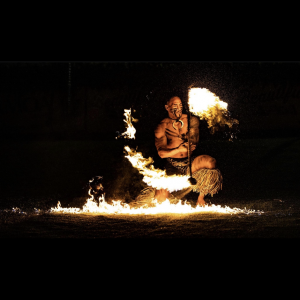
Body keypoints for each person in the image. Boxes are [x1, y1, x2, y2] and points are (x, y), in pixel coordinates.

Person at [153, 96, 222, 206]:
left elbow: (194, 140)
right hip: (172, 165)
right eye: (175, 106)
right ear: (167, 107)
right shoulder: (162, 126)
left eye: (180, 105)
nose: (179, 108)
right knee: (160, 198)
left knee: (210, 162)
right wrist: (179, 149)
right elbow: (161, 153)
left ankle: (201, 198)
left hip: (190, 162)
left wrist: (190, 140)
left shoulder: (191, 120)